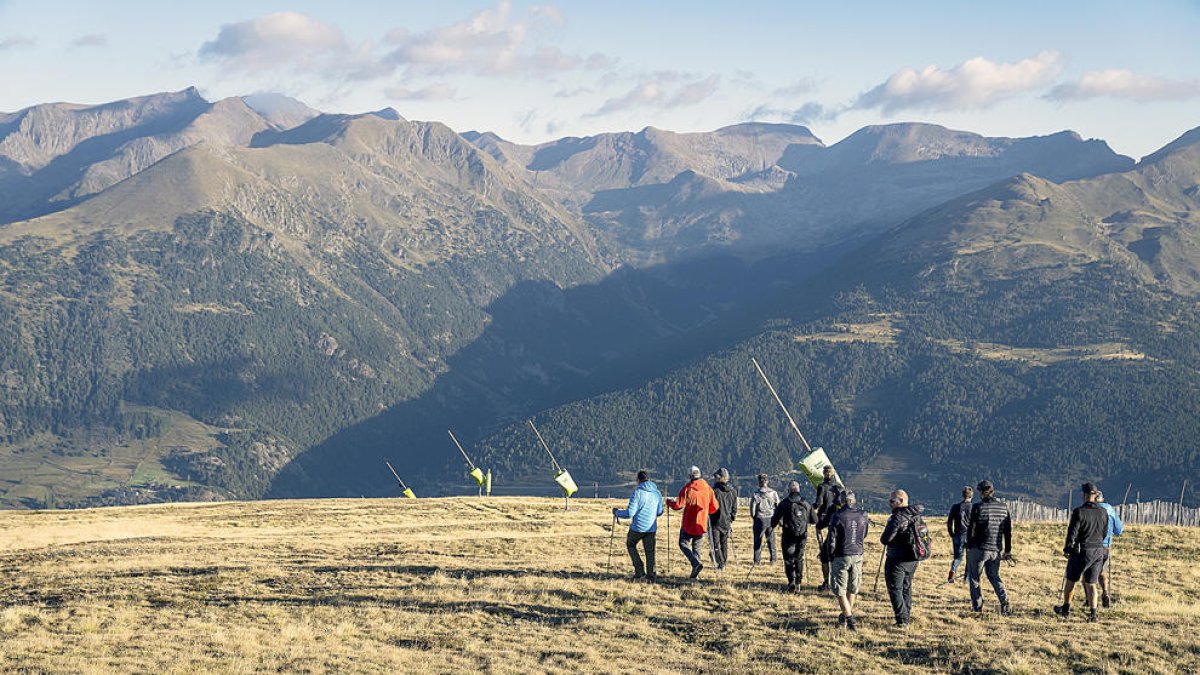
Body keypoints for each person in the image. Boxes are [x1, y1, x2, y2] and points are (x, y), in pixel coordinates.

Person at [1055, 483, 1109, 623]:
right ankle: (1093, 614)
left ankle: (1066, 608)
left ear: (1084, 495)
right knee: (1091, 583)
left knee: (1071, 580)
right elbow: (1104, 532)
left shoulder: (1079, 511)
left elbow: (1072, 532)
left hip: (1082, 550)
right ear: (1095, 495)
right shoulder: (1103, 511)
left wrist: (1068, 549)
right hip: (1098, 550)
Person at [965, 480, 1012, 614]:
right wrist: (1008, 550)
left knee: (974, 578)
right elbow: (1008, 531)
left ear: (981, 492)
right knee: (994, 576)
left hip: (979, 549)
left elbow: (971, 530)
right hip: (996, 549)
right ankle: (1005, 602)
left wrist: (969, 546)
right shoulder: (1004, 507)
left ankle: (977, 607)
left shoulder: (978, 507)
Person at [826, 489, 869, 631]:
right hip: (857, 553)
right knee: (853, 587)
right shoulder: (863, 515)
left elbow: (832, 540)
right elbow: (864, 534)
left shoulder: (837, 516)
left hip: (841, 555)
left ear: (841, 501)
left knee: (840, 589)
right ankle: (845, 615)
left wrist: (829, 555)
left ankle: (850, 619)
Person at [880, 489, 924, 627]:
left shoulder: (897, 517)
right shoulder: (916, 516)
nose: (890, 504)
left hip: (897, 558)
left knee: (895, 589)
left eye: (893, 501)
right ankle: (906, 616)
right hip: (913, 558)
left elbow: (885, 539)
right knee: (906, 587)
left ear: (901, 501)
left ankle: (902, 620)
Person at [667, 466, 718, 580]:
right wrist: (705, 511)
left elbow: (677, 506)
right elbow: (714, 507)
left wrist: (669, 502)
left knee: (683, 543)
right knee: (696, 548)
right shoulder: (708, 488)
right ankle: (696, 573)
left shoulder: (687, 489)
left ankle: (695, 564)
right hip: (701, 523)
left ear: (690, 476)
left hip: (688, 523)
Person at [613, 469, 664, 582]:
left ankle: (639, 570)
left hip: (638, 527)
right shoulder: (657, 492)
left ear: (638, 480)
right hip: (651, 528)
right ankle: (651, 575)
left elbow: (630, 513)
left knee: (630, 544)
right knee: (650, 551)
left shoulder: (637, 492)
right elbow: (660, 512)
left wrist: (617, 513)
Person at [771, 481, 816, 592]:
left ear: (788, 491)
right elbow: (815, 520)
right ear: (799, 490)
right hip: (802, 536)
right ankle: (798, 582)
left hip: (788, 535)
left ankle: (791, 582)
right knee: (799, 558)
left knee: (789, 559)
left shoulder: (784, 503)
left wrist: (774, 525)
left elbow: (774, 520)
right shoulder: (806, 503)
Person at [814, 465, 843, 591]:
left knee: (824, 551)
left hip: (823, 517)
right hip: (835, 517)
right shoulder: (837, 488)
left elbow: (819, 502)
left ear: (824, 474)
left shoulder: (822, 487)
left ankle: (826, 581)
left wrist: (812, 507)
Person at [1095, 490, 1125, 608]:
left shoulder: (1089, 509)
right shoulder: (1110, 510)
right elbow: (1118, 531)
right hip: (1105, 546)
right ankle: (1105, 592)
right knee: (1102, 572)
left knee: (1088, 573)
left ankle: (1090, 599)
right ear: (1102, 498)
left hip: (1090, 546)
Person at [710, 468, 738, 570]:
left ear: (720, 478)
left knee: (716, 544)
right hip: (726, 521)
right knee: (724, 544)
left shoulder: (714, 491)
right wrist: (731, 519)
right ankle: (723, 563)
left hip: (715, 521)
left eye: (716, 477)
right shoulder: (733, 491)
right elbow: (734, 509)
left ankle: (720, 563)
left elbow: (711, 506)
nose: (714, 479)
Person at [750, 473, 781, 564]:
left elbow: (752, 509)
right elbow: (778, 506)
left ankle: (757, 561)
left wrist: (754, 517)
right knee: (771, 540)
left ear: (759, 482)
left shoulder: (756, 494)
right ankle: (773, 559)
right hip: (771, 518)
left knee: (757, 541)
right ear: (767, 481)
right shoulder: (773, 493)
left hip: (760, 518)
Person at [946, 485, 974, 582]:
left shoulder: (955, 507)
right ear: (971, 496)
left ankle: (952, 572)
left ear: (963, 495)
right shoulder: (973, 508)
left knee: (958, 557)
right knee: (969, 557)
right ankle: (966, 578)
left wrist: (951, 533)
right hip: (970, 535)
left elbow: (949, 522)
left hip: (957, 534)